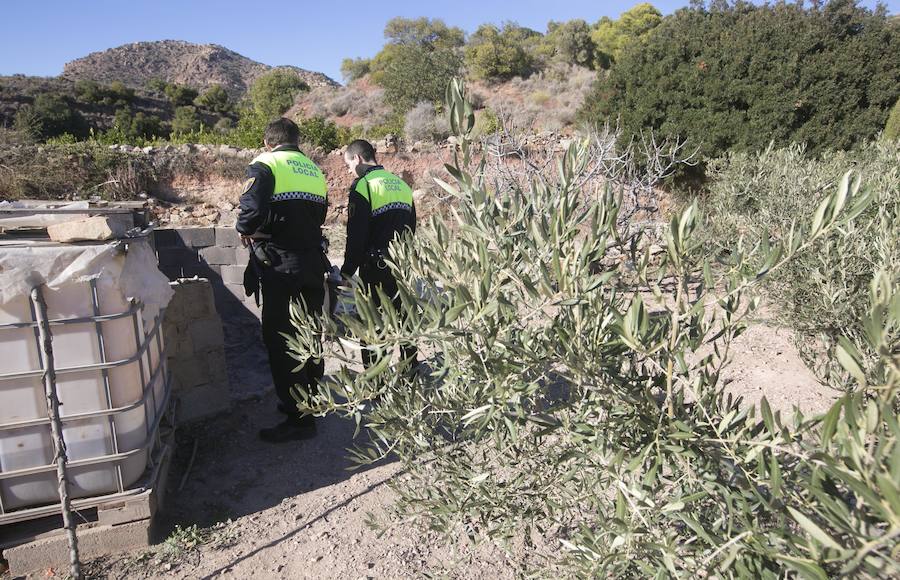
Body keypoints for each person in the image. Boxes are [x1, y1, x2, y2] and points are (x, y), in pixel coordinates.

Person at [236, 118, 329, 443]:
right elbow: (319, 217)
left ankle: (298, 418)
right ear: (296, 140)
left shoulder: (266, 164)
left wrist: (246, 230)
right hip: (312, 263)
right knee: (310, 331)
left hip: (280, 264)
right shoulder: (313, 170)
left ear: (267, 142)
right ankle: (312, 402)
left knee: (281, 337)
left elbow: (250, 211)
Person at [340, 139, 418, 369]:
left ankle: (378, 383)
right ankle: (410, 375)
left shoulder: (363, 186)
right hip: (402, 266)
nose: (349, 170)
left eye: (348, 165)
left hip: (374, 269)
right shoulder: (401, 185)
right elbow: (411, 228)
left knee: (372, 325)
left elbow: (356, 236)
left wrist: (347, 272)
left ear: (358, 158)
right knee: (405, 321)